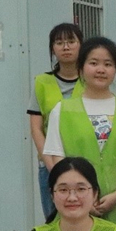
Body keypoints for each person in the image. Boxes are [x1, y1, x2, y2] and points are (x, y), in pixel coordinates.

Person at [43, 37, 116, 231]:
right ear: (81, 68)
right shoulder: (62, 110)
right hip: (75, 207)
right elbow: (57, 159)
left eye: (108, 64)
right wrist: (83, 198)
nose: (101, 69)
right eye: (93, 63)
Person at [28, 23, 84, 218]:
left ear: (81, 45)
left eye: (71, 41)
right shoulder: (42, 82)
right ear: (52, 48)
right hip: (49, 165)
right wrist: (52, 165)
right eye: (59, 43)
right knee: (54, 221)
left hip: (85, 162)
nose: (65, 47)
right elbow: (36, 128)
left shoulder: (91, 81)